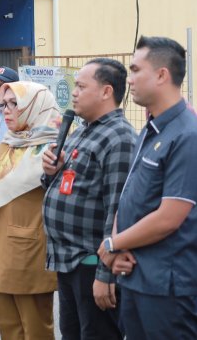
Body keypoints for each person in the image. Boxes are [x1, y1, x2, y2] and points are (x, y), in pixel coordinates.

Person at [98, 36, 197, 339]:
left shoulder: (187, 135)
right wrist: (116, 246)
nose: (129, 79)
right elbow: (129, 196)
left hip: (167, 288)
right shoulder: (152, 129)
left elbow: (170, 217)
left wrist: (112, 245)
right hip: (135, 276)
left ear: (162, 75)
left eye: (136, 69)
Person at [42, 58, 135, 340]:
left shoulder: (119, 138)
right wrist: (49, 173)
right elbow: (67, 185)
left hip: (92, 261)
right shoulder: (82, 129)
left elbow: (117, 209)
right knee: (72, 333)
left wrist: (105, 274)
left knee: (97, 334)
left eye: (81, 86)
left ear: (106, 92)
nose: (74, 92)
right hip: (67, 259)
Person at [0, 81, 59, 340]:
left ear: (35, 107)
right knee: (9, 329)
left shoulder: (53, 148)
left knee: (35, 330)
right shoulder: (9, 143)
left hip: (29, 251)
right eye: (3, 104)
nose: (7, 111)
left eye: (15, 104)